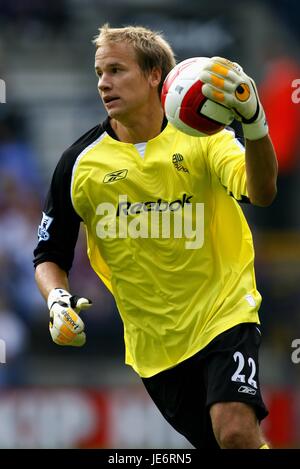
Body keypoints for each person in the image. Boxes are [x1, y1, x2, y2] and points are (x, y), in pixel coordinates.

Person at [33, 24, 277, 449]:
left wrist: (255, 123)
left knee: (236, 432)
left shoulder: (206, 140)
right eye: (98, 72)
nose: (103, 83)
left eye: (115, 70)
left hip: (224, 313)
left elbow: (263, 192)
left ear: (154, 76)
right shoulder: (79, 163)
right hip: (154, 345)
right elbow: (49, 255)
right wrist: (57, 301)